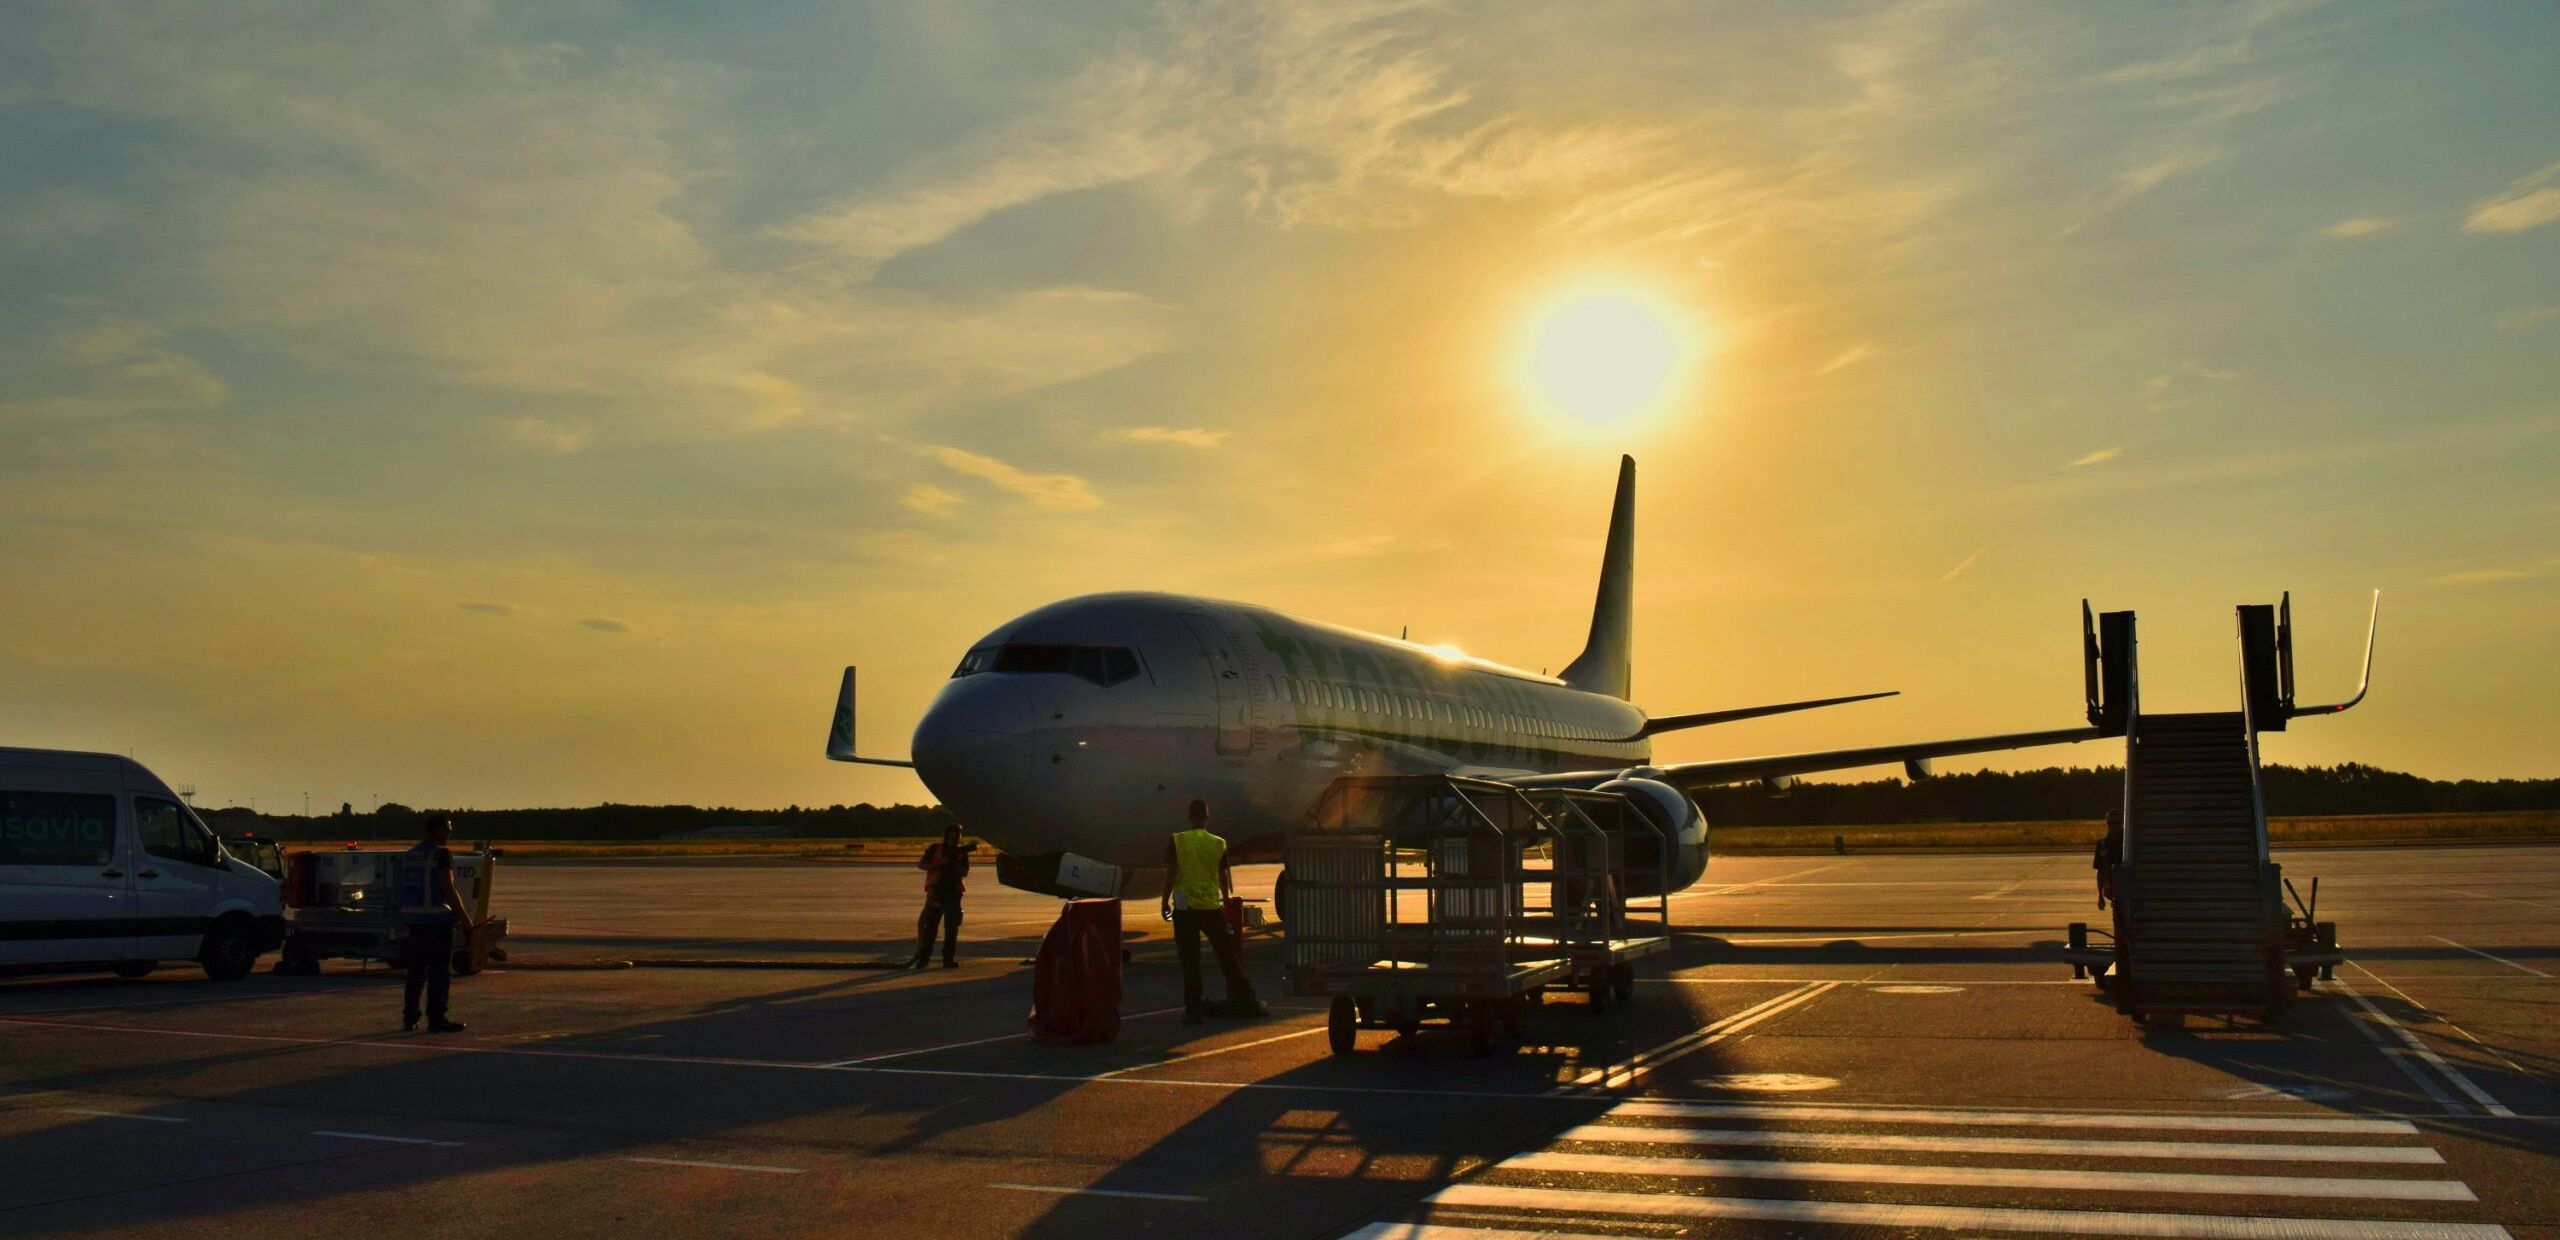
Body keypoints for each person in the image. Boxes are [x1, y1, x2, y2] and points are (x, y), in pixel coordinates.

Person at [1161, 800, 1258, 1024]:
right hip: (1210, 907)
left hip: (1185, 910)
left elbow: (1170, 875)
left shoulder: (1178, 841)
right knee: (1226, 955)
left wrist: (1165, 902)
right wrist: (1225, 900)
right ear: (1207, 817)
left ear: (1189, 817)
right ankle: (1245, 997)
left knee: (1190, 961)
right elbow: (1223, 876)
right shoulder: (1218, 843)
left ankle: (1193, 1009)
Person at [394, 817, 476, 1033]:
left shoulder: (410, 855)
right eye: (447, 831)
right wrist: (464, 918)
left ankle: (409, 1018)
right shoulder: (441, 854)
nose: (449, 835)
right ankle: (437, 1018)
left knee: (415, 973)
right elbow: (448, 888)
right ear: (435, 831)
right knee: (439, 974)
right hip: (437, 923)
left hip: (414, 922)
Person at [910, 823, 972, 969]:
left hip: (953, 894)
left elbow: (964, 872)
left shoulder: (961, 852)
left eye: (958, 835)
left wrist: (955, 862)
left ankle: (947, 959)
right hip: (936, 892)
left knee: (951, 929)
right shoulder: (935, 849)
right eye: (953, 834)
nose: (956, 838)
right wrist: (939, 865)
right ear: (947, 835)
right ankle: (924, 959)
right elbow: (921, 864)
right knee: (930, 928)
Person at [2094, 808, 2124, 911]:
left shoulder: (2129, 844)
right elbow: (2099, 871)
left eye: (2117, 823)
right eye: (2111, 823)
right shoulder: (2102, 844)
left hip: (2127, 890)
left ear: (2122, 823)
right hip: (2111, 891)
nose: (2114, 826)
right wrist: (2100, 896)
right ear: (2107, 823)